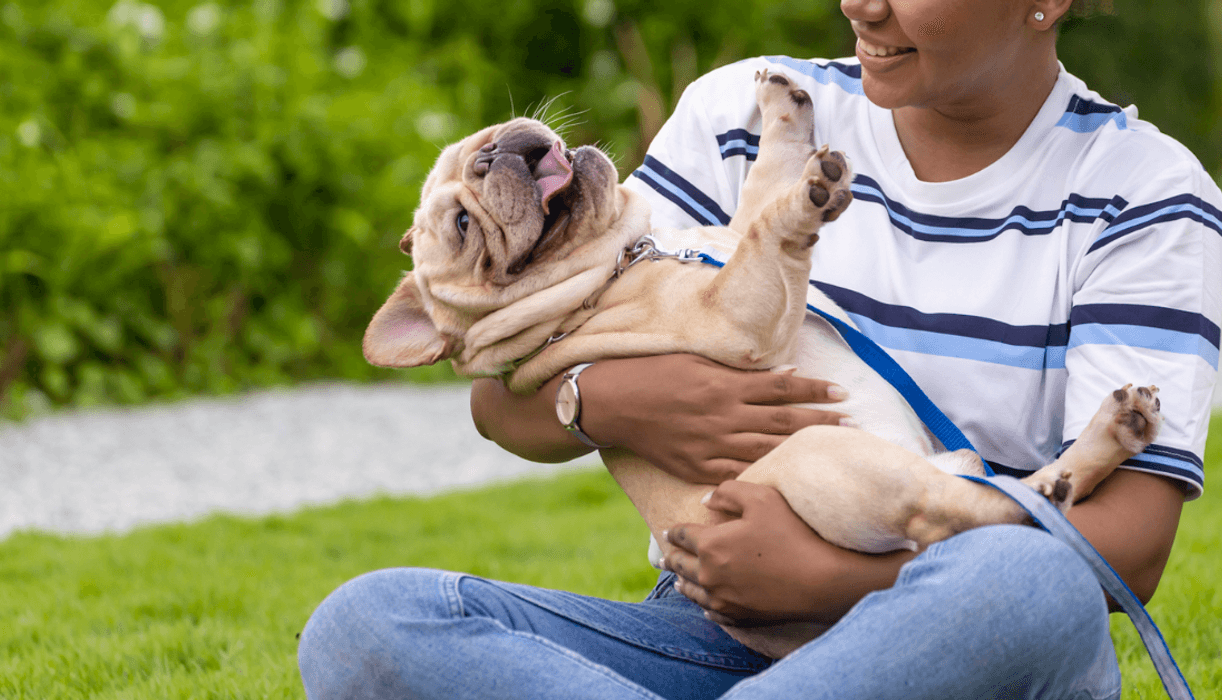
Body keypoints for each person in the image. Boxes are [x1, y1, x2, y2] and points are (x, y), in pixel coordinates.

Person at [298, 0, 1221, 697]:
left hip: (961, 638)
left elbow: (1129, 551)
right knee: (365, 625)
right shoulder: (749, 110)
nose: (862, 4)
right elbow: (501, 404)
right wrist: (608, 402)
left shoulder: (1142, 195)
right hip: (720, 639)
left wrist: (829, 579)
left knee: (1030, 580)